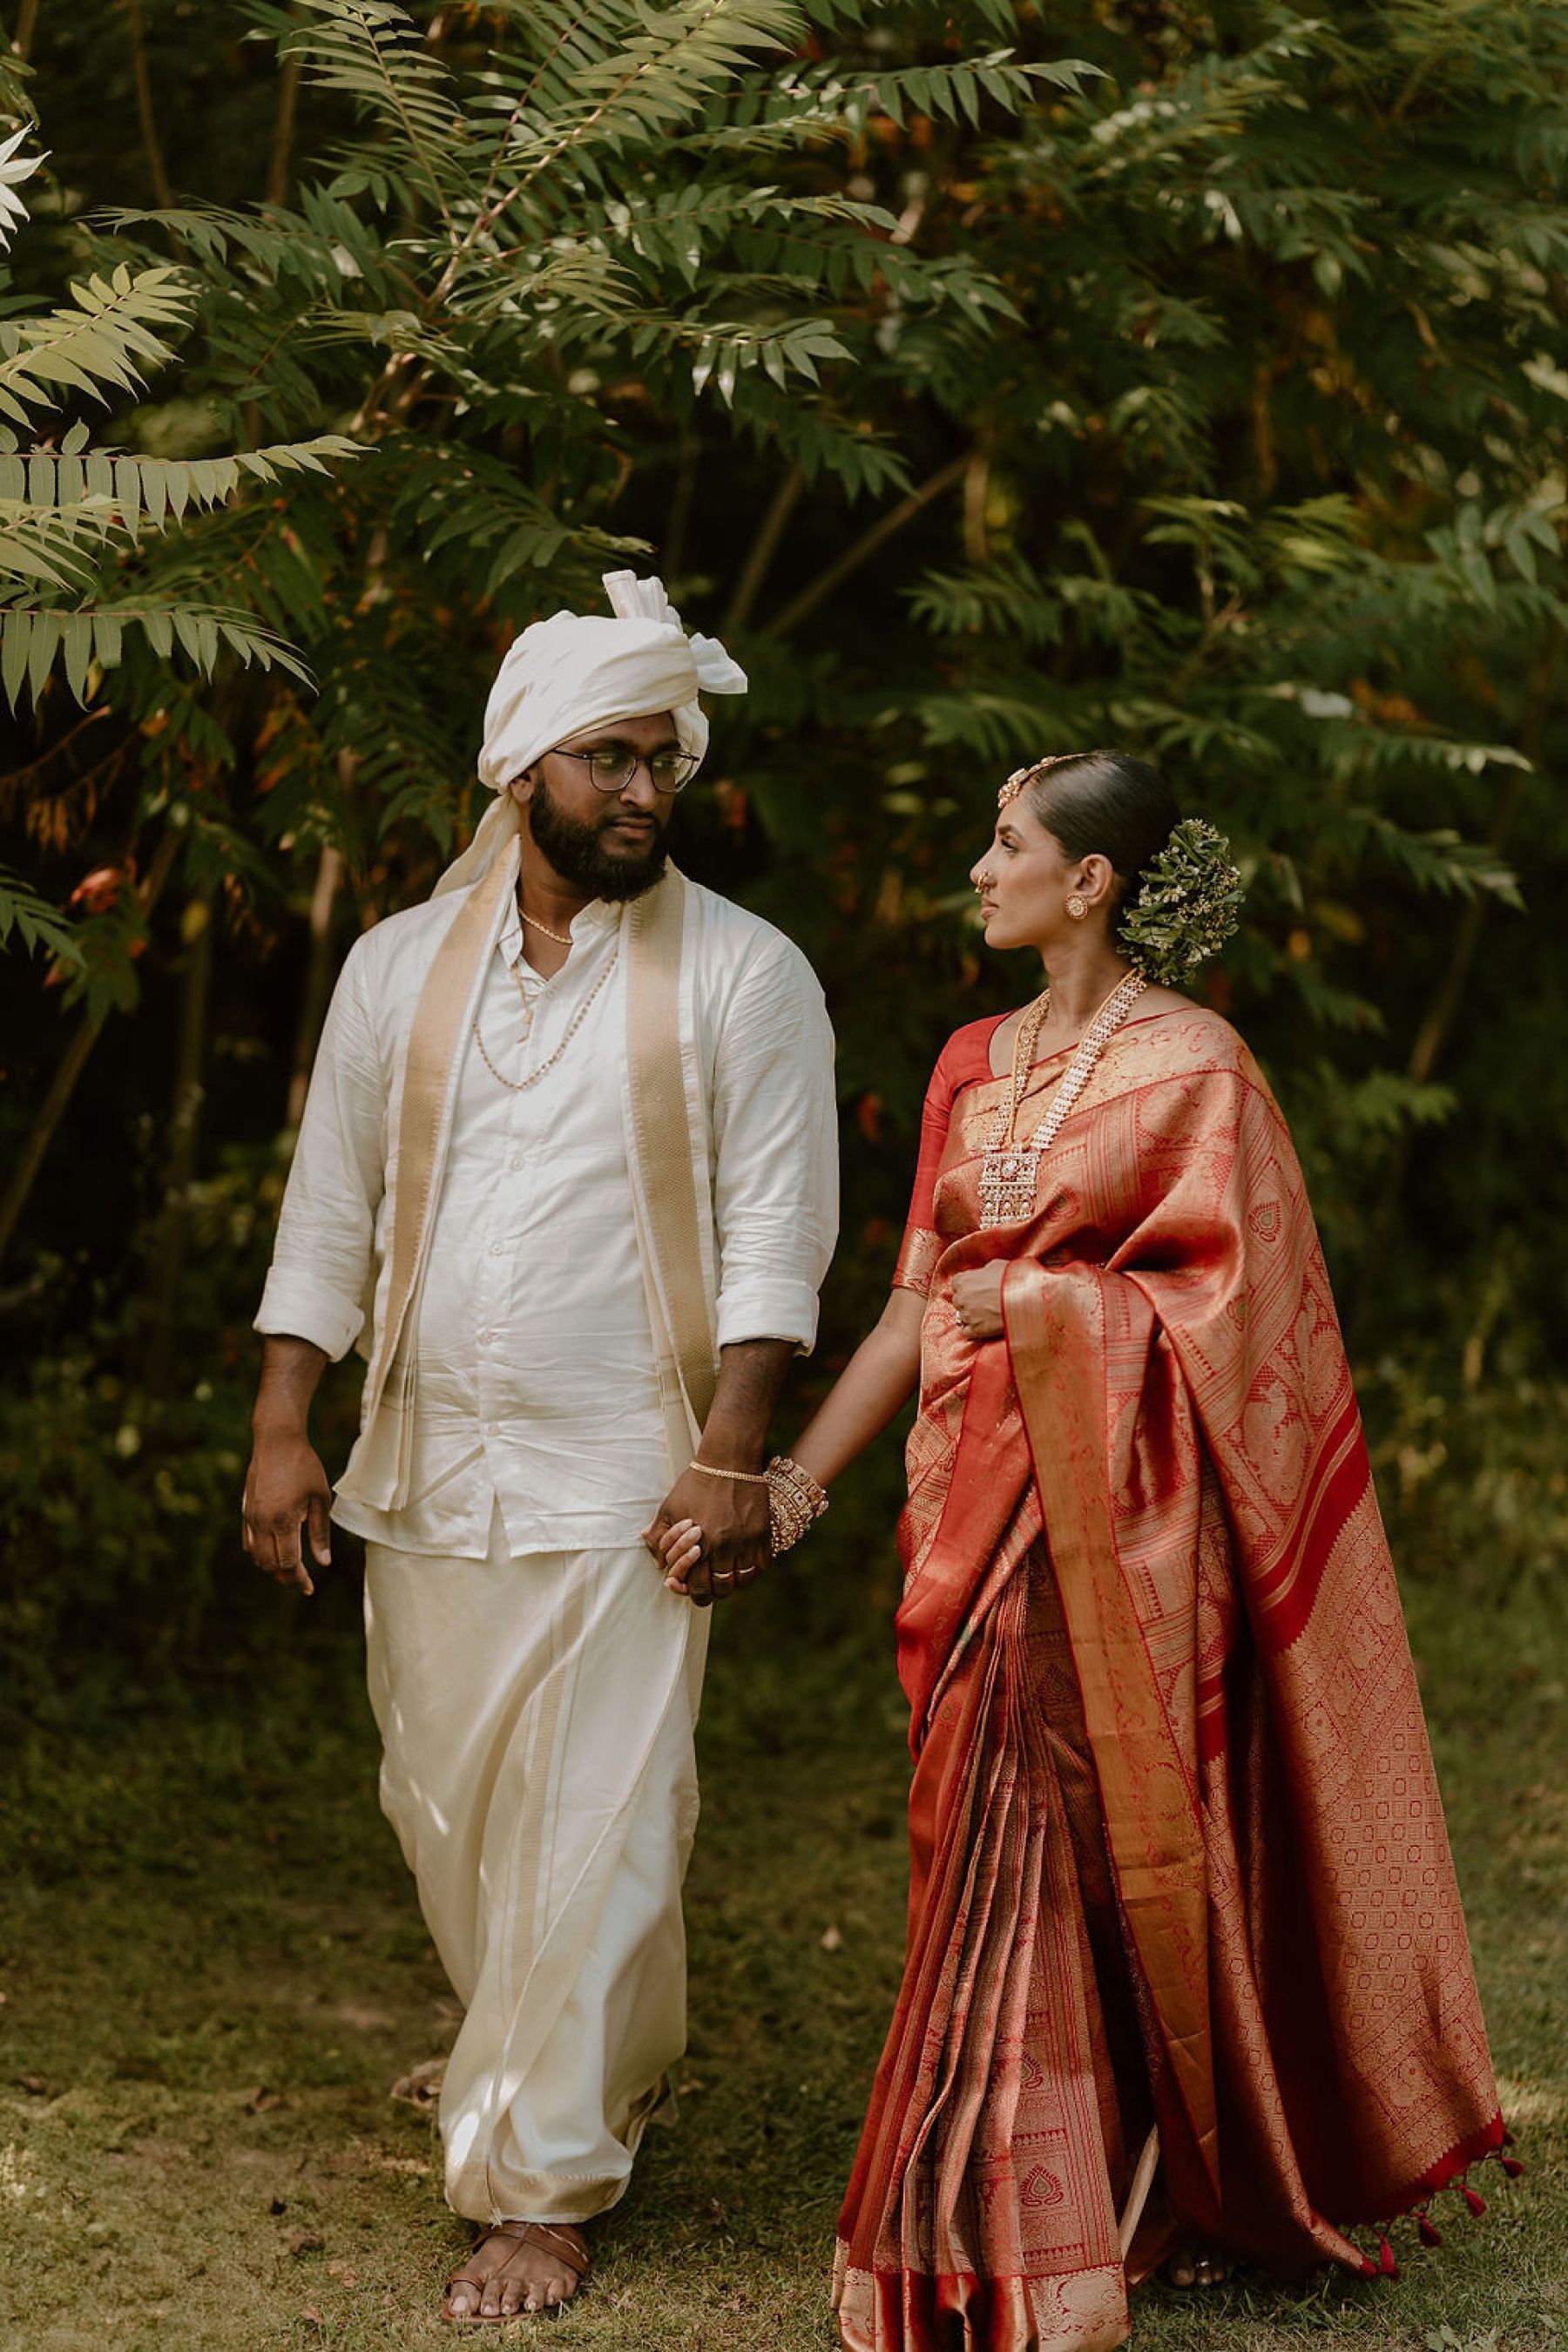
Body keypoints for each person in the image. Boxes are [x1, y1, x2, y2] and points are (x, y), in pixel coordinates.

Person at [660, 747, 1508, 2352]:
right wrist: (789, 1486)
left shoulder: (1199, 1069)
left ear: (1091, 880)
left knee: (1066, 1846)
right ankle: (1064, 2182)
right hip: (962, 1504)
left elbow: (1237, 1314)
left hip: (1116, 1518)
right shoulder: (970, 1061)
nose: (981, 871)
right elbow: (918, 1299)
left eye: (1005, 843)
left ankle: (1020, 2214)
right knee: (973, 1837)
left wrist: (1042, 1306)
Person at [242, 571, 838, 2324]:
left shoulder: (748, 975)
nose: (645, 789)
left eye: (665, 759)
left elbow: (778, 1232)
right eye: (609, 757)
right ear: (523, 773)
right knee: (445, 1811)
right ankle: (542, 2040)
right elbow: (328, 1209)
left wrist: (732, 1453)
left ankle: (546, 2177)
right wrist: (286, 1422)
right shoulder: (391, 970)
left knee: (597, 1822)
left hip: (628, 1479)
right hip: (421, 1466)